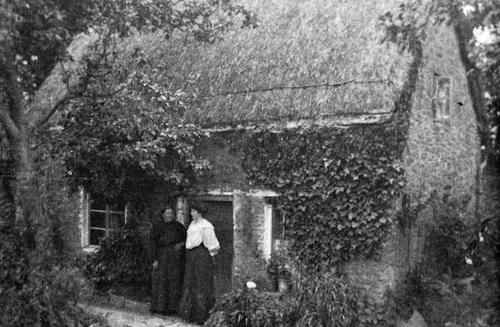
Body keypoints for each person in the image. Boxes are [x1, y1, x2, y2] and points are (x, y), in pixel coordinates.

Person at [179, 202, 220, 325]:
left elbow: (211, 244)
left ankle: (202, 317)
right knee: (190, 283)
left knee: (201, 284)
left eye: (194, 212)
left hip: (202, 256)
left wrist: (212, 257)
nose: (191, 214)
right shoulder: (193, 224)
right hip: (192, 256)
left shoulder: (206, 226)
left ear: (199, 213)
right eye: (191, 211)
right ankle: (191, 315)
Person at [149, 206, 187, 315]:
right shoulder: (156, 228)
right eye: (167, 213)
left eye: (171, 213)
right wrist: (154, 259)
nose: (170, 215)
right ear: (163, 215)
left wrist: (181, 244)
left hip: (175, 258)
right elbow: (151, 244)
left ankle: (172, 308)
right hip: (161, 257)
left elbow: (186, 239)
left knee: (174, 281)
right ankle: (159, 308)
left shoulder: (179, 226)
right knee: (161, 281)